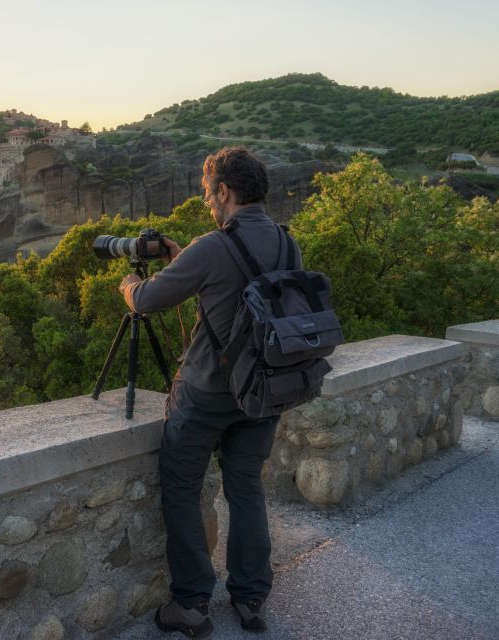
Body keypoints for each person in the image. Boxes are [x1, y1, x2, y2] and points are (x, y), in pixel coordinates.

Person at [117, 147, 302, 636]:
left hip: (206, 394)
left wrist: (129, 287)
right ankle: (251, 597)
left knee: (180, 486)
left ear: (224, 190)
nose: (206, 204)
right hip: (263, 390)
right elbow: (241, 293)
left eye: (207, 193)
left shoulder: (213, 245)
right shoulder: (287, 243)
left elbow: (151, 300)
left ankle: (192, 603)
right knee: (246, 486)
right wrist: (187, 261)